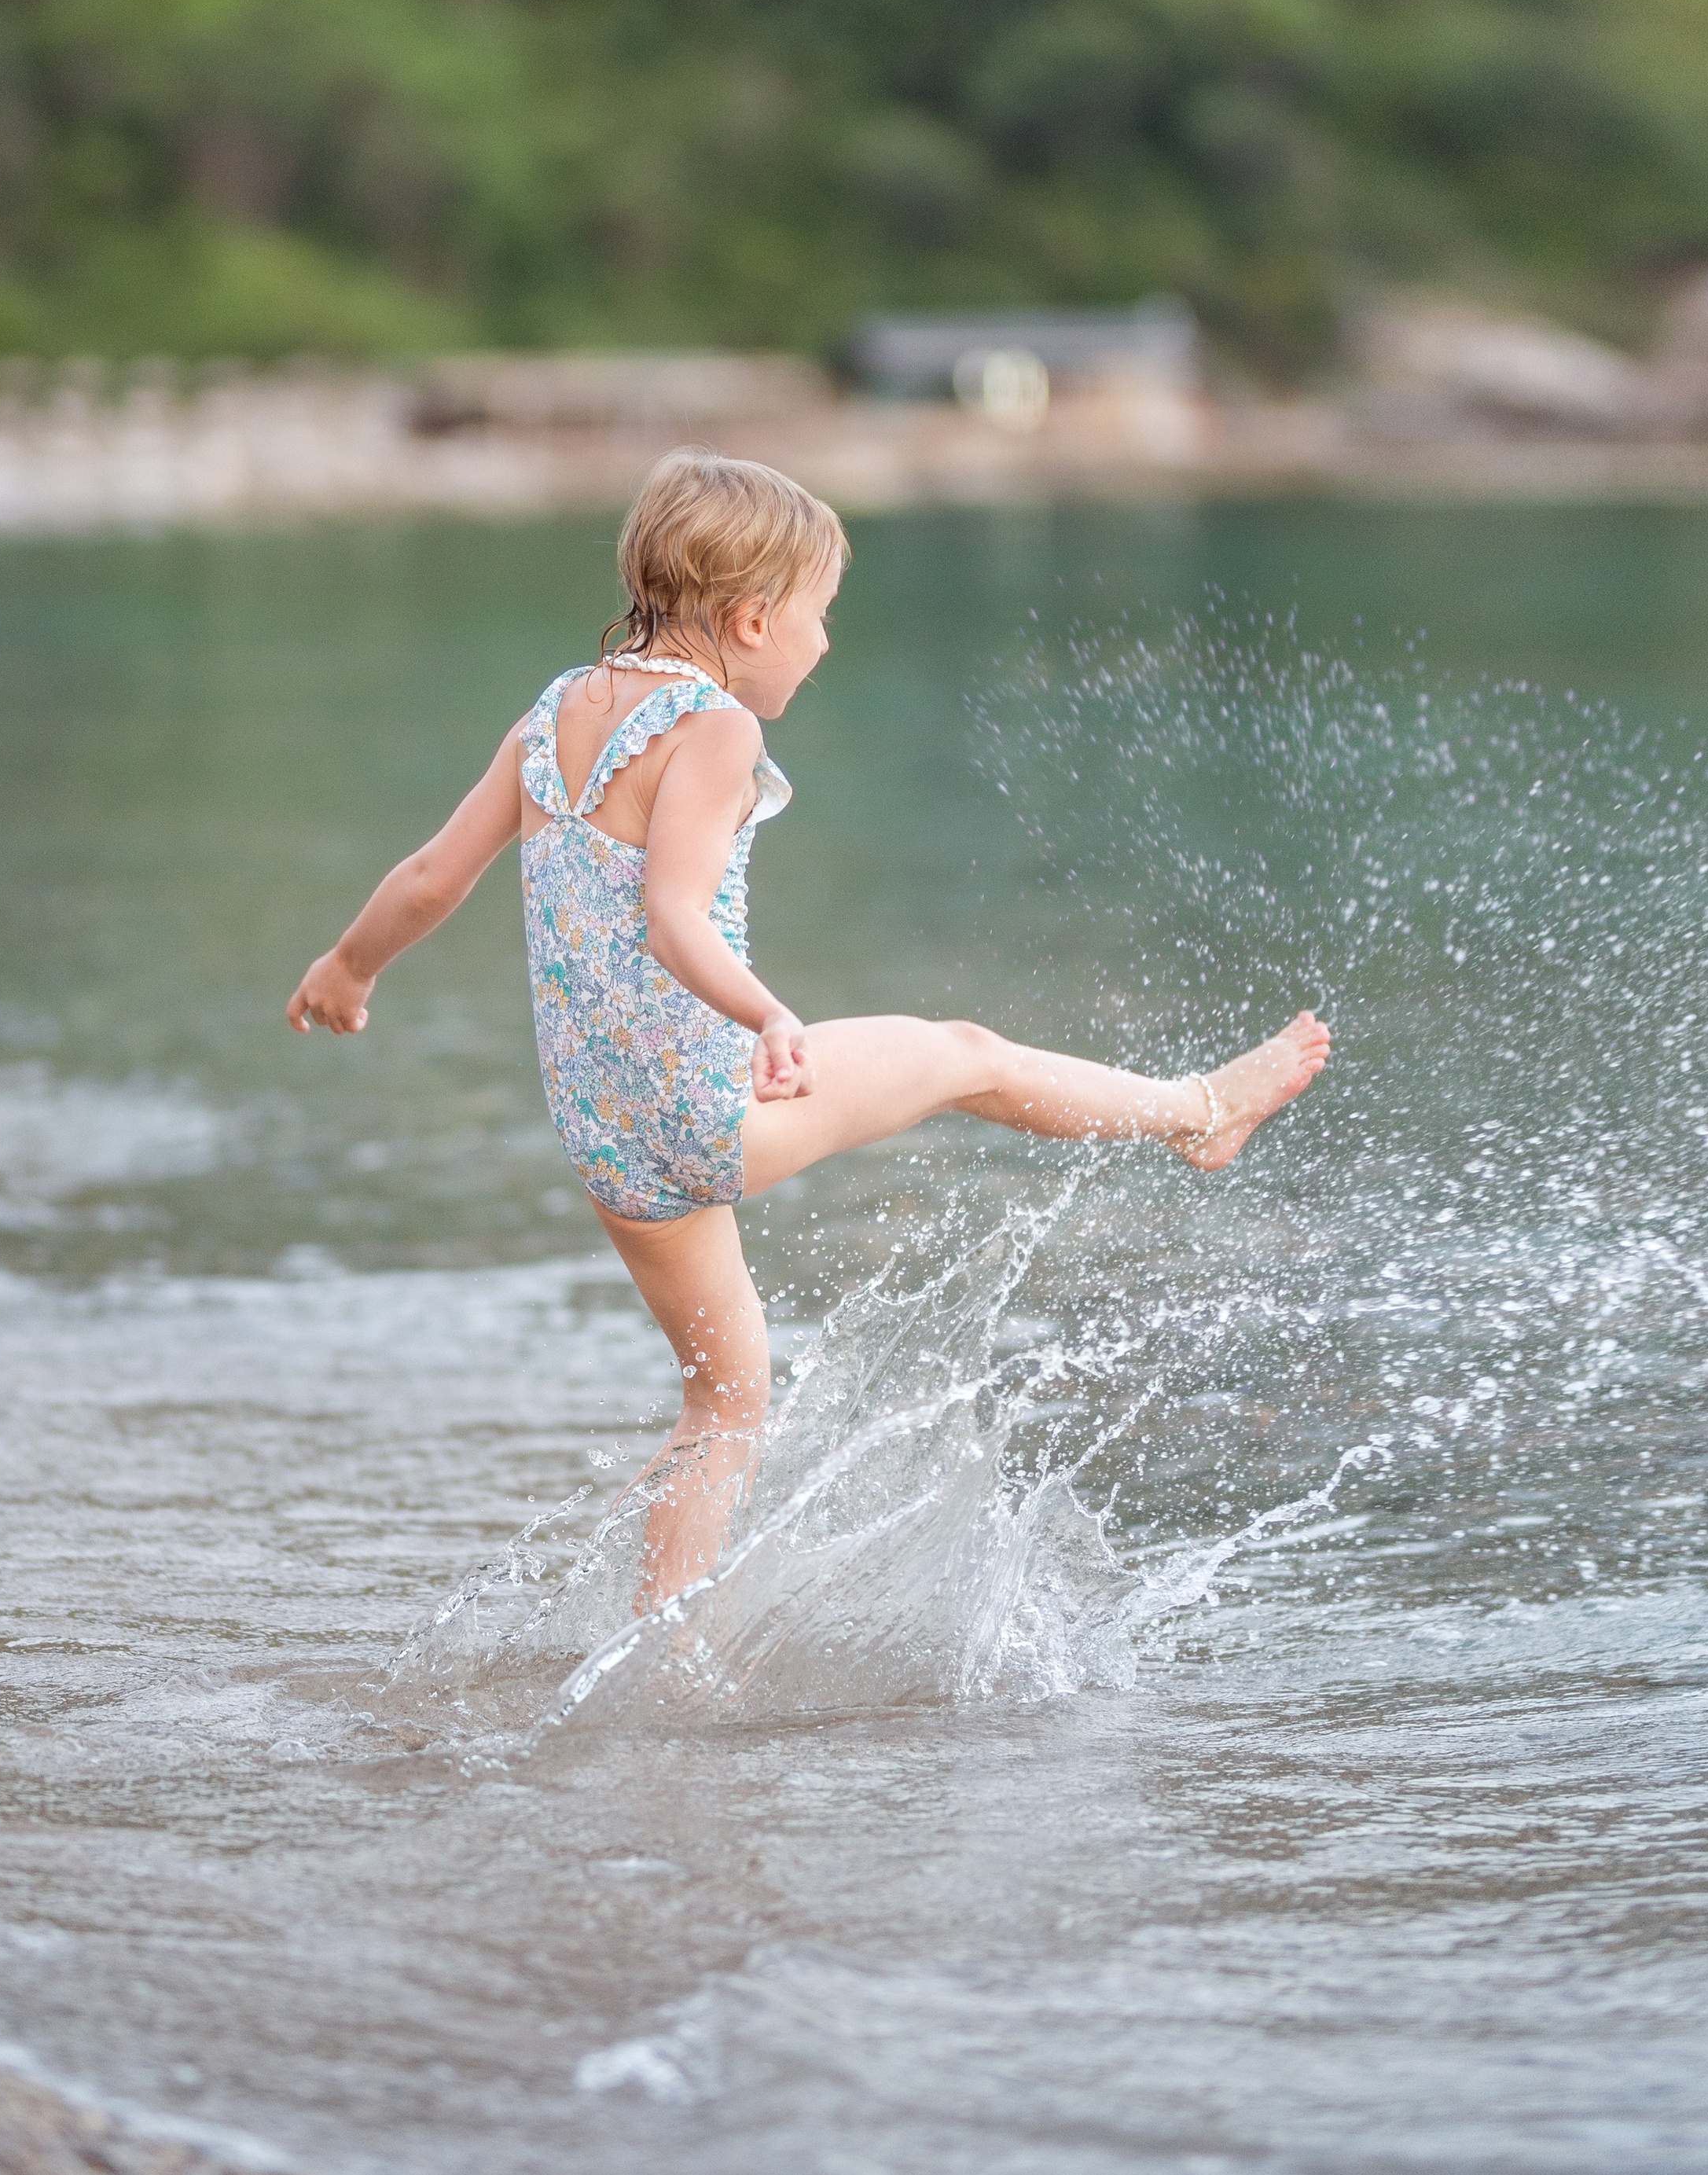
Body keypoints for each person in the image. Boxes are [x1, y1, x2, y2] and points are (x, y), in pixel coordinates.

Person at [288, 449, 1331, 1602]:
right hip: (714, 1108)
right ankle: (1200, 1112)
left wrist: (347, 967)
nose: (827, 644)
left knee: (724, 1401)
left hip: (605, 1140)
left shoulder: (556, 711)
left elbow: (436, 875)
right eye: (821, 617)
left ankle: (664, 1644)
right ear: (749, 620)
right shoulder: (715, 729)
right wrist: (768, 1010)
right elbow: (674, 913)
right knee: (963, 1055)